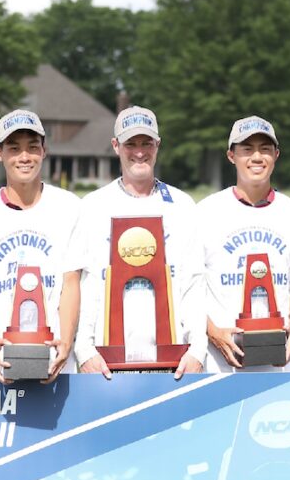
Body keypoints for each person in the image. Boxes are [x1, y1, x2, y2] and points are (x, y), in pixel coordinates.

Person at [73, 106, 206, 379]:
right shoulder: (92, 206)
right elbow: (87, 284)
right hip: (106, 363)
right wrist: (84, 350)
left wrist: (197, 349)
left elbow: (193, 283)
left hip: (173, 362)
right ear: (115, 145)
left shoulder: (182, 205)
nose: (139, 151)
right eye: (130, 143)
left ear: (158, 145)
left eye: (147, 143)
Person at [0, 110, 81, 382]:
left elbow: (71, 283)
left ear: (44, 151)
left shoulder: (70, 207)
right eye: (14, 148)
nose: (25, 157)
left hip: (56, 364)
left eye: (32, 147)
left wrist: (66, 342)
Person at [197, 116, 290, 372]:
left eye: (265, 149)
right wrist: (214, 332)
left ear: (276, 155)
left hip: (277, 365)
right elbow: (187, 289)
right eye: (247, 149)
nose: (257, 157)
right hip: (219, 365)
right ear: (231, 156)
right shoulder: (205, 212)